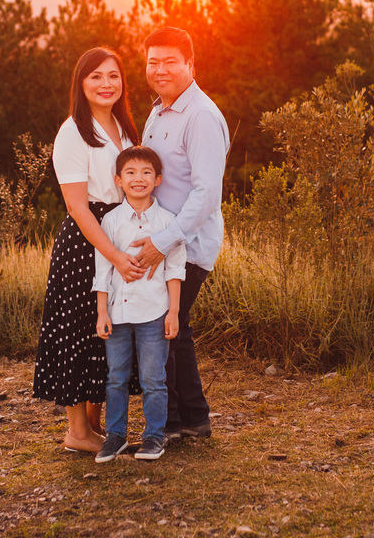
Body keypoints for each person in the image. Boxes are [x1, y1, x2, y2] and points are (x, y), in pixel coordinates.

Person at [33, 47, 145, 454]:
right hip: (86, 242)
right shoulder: (73, 132)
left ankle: (95, 426)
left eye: (113, 76)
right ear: (81, 84)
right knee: (79, 331)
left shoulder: (124, 126)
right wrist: (115, 256)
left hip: (121, 229)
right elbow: (77, 207)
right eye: (96, 76)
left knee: (109, 331)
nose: (105, 84)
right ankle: (77, 432)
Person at [127, 27, 229, 440]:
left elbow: (206, 194)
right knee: (177, 327)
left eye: (171, 61)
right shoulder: (160, 110)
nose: (161, 70)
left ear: (191, 65)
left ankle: (166, 423)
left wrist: (161, 243)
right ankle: (193, 418)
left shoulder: (200, 116)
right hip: (167, 242)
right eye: (153, 62)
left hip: (185, 245)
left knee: (159, 328)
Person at [93, 146, 186, 463]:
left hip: (155, 313)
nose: (139, 178)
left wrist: (173, 311)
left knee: (153, 380)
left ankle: (153, 438)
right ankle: (115, 436)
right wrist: (101, 311)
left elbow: (175, 269)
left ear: (158, 179)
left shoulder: (168, 222)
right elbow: (102, 270)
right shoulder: (111, 220)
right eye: (130, 172)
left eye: (146, 172)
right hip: (117, 314)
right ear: (119, 180)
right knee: (116, 377)